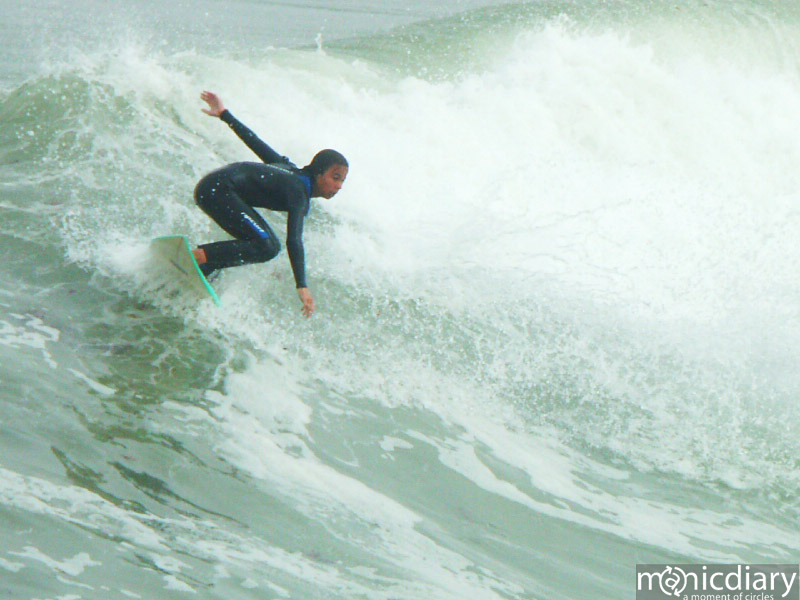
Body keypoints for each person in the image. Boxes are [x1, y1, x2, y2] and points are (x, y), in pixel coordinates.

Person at [192, 90, 348, 318]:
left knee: (251, 244)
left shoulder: (288, 170)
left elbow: (255, 142)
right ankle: (197, 256)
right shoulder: (298, 192)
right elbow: (294, 240)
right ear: (318, 173)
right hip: (220, 190)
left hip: (212, 188)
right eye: (335, 177)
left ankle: (202, 267)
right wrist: (302, 285)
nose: (339, 186)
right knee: (268, 246)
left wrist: (224, 114)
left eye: (342, 181)